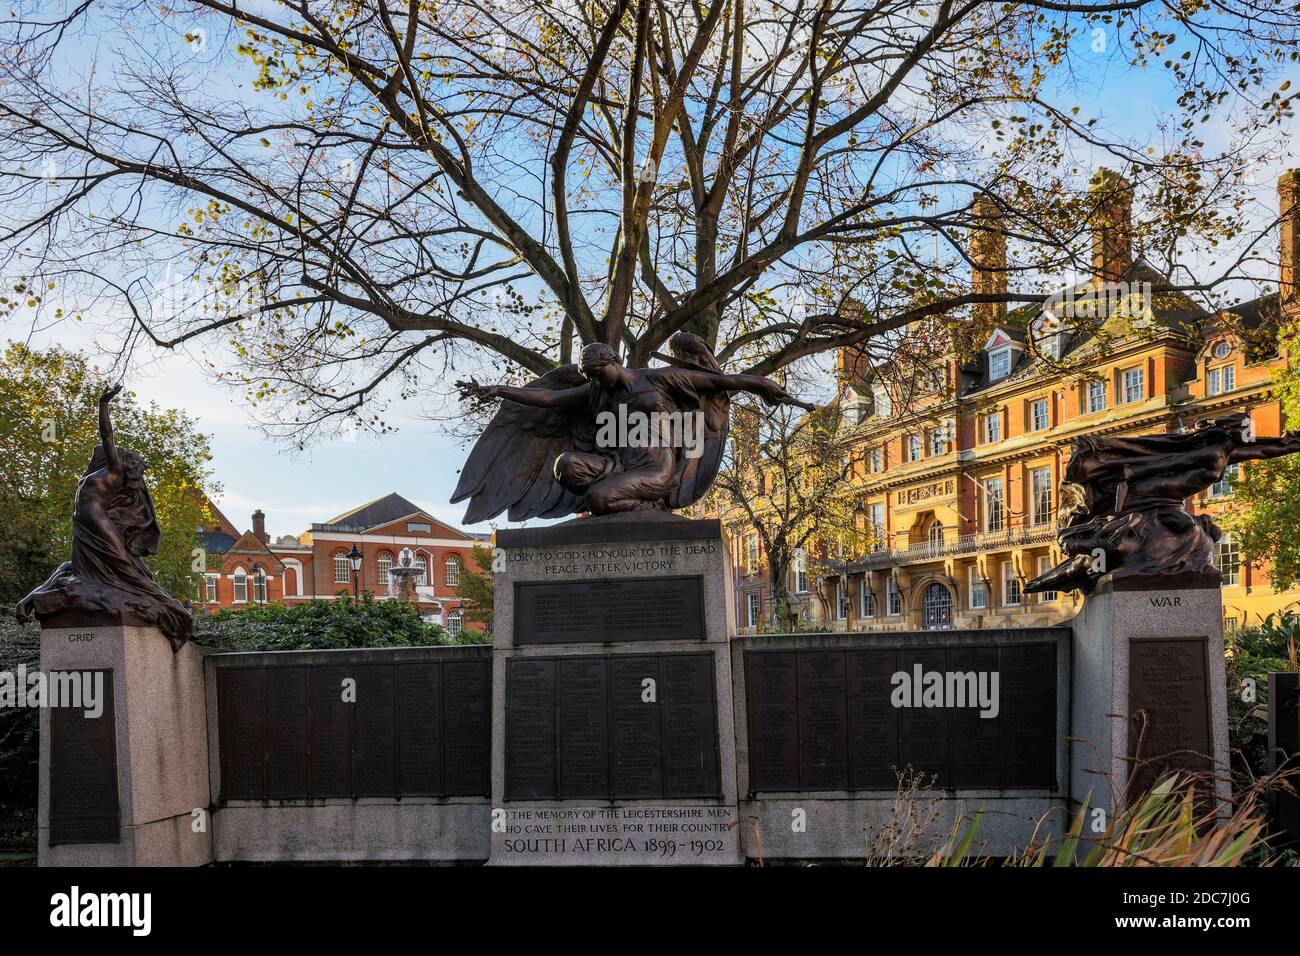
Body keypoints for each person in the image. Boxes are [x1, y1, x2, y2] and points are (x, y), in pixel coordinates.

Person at [17, 386, 193, 650]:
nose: (113, 452)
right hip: (82, 527)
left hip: (98, 524)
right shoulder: (92, 473)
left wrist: (103, 405)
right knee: (72, 568)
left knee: (127, 570)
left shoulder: (114, 472)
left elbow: (107, 435)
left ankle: (174, 610)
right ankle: (31, 598)